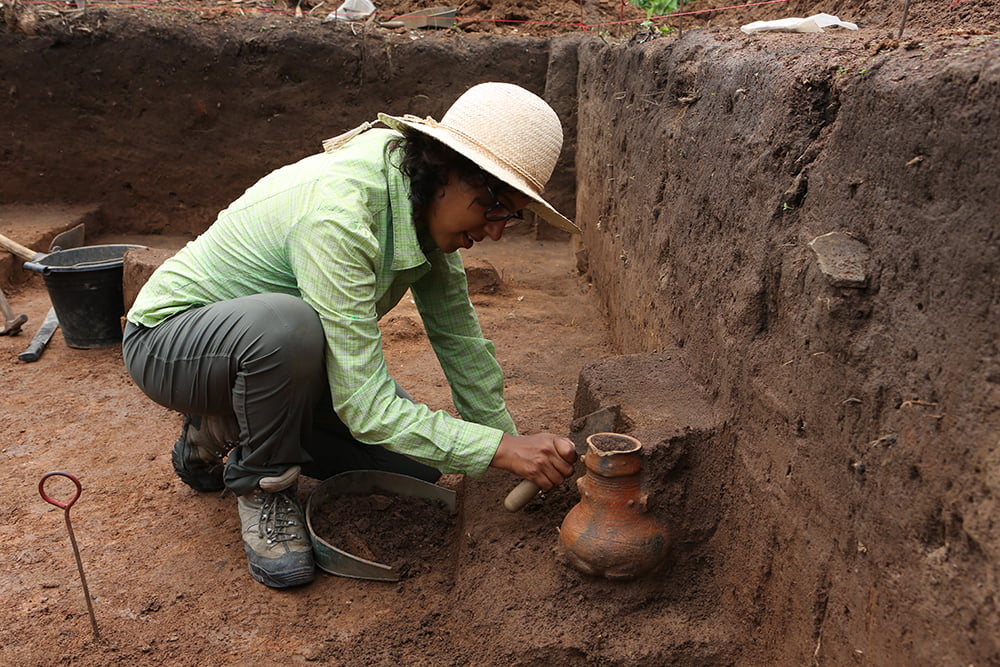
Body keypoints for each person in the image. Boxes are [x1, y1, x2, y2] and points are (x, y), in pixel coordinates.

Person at [122, 82, 581, 589]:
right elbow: (365, 405)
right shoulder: (340, 214)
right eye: (493, 205)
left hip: (272, 363)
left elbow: (462, 344)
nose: (495, 230)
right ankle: (264, 486)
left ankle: (221, 424)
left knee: (416, 468)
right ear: (444, 168)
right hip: (172, 345)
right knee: (288, 328)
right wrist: (501, 449)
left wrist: (505, 444)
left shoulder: (422, 210)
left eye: (510, 215)